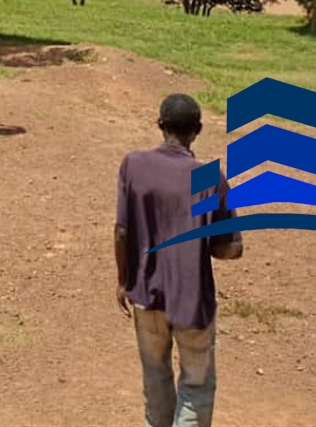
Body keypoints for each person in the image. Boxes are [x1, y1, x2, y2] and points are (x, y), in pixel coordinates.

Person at [115, 93, 242, 427]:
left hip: (146, 294)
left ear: (160, 126)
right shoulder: (210, 177)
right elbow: (230, 248)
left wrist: (123, 280)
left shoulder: (134, 165)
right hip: (192, 300)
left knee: (154, 377)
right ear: (197, 130)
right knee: (196, 385)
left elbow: (122, 231)